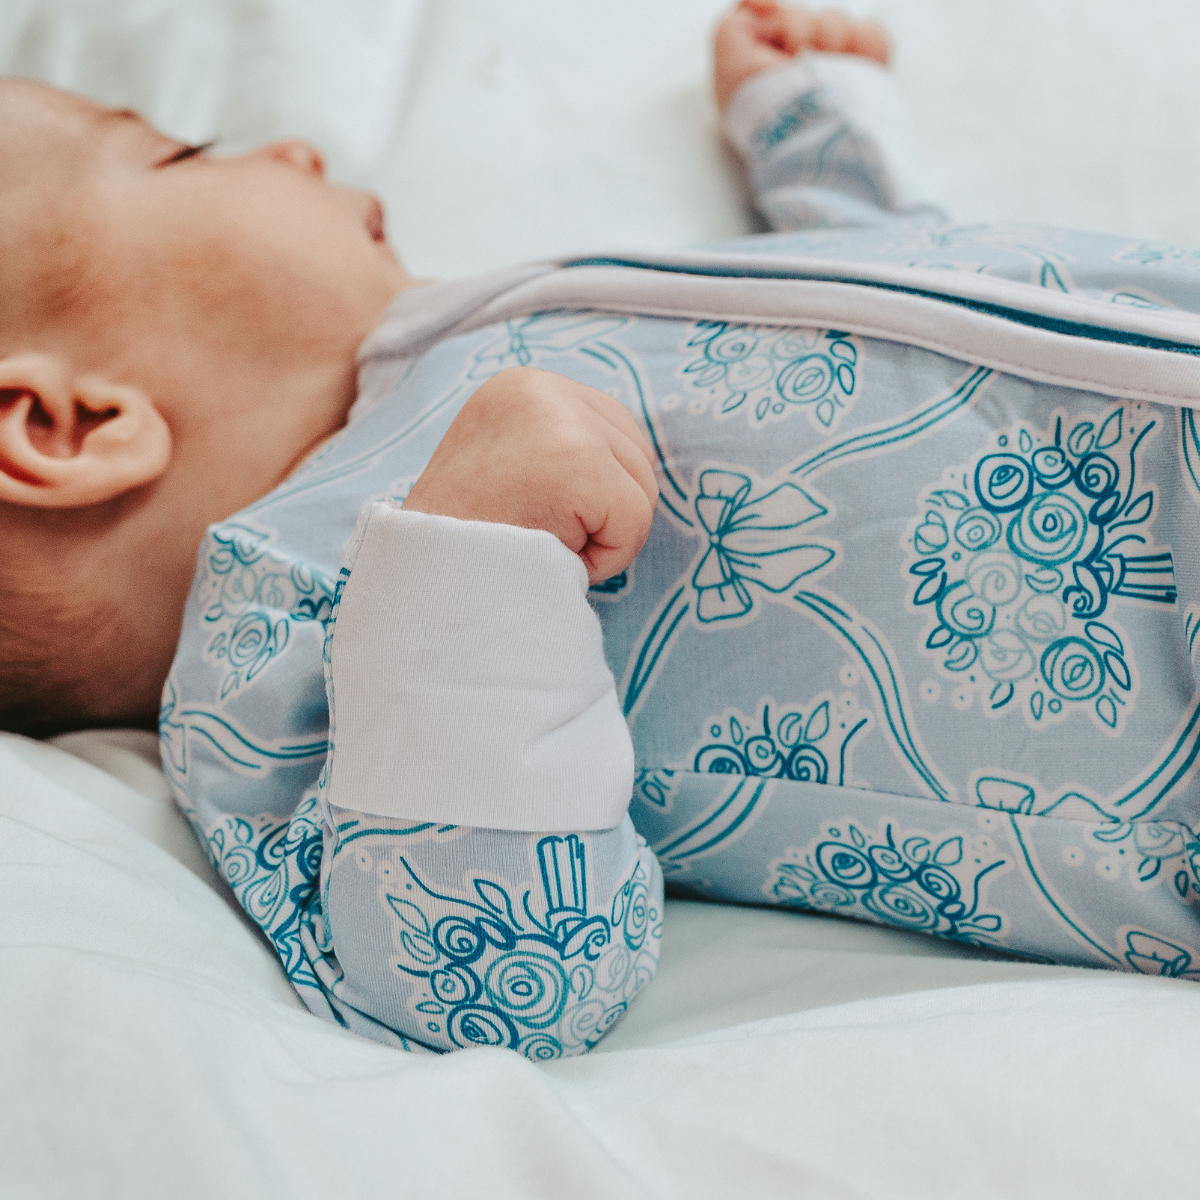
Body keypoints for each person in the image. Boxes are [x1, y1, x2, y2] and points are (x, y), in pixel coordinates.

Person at [4, 1, 1199, 1054]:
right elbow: (491, 979)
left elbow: (887, 297)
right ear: (66, 426)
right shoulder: (269, 641)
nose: (292, 148)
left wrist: (817, 134)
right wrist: (471, 566)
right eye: (180, 153)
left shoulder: (476, 316)